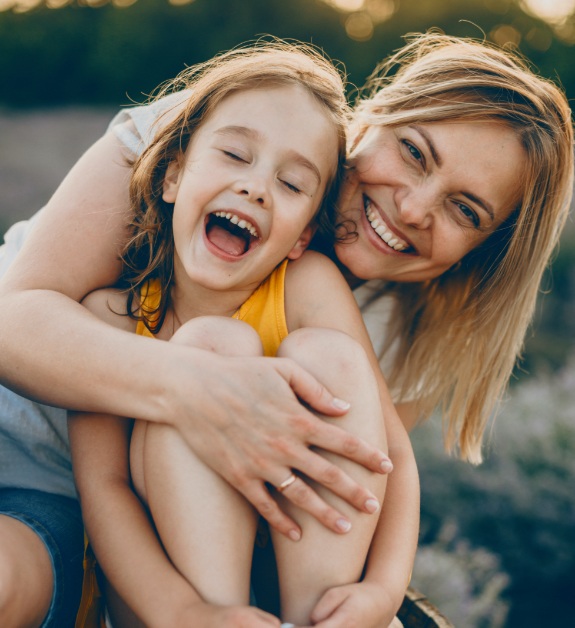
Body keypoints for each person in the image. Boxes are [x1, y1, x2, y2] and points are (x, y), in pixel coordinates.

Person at [0, 31, 572, 628]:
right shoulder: (229, 132)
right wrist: (201, 385)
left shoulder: (375, 315)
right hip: (36, 462)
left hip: (189, 543)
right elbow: (13, 328)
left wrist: (382, 596)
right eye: (413, 151)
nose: (412, 209)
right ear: (373, 118)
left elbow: (366, 478)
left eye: (465, 210)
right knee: (217, 346)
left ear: (484, 250)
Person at [68, 42, 409, 628]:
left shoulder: (305, 284)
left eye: (293, 184)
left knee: (329, 355)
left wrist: (383, 592)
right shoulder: (111, 315)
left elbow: (389, 455)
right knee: (211, 349)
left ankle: (317, 616)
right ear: (174, 174)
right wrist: (185, 613)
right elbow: (106, 488)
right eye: (234, 154)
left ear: (303, 236)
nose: (255, 188)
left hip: (294, 572)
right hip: (167, 600)